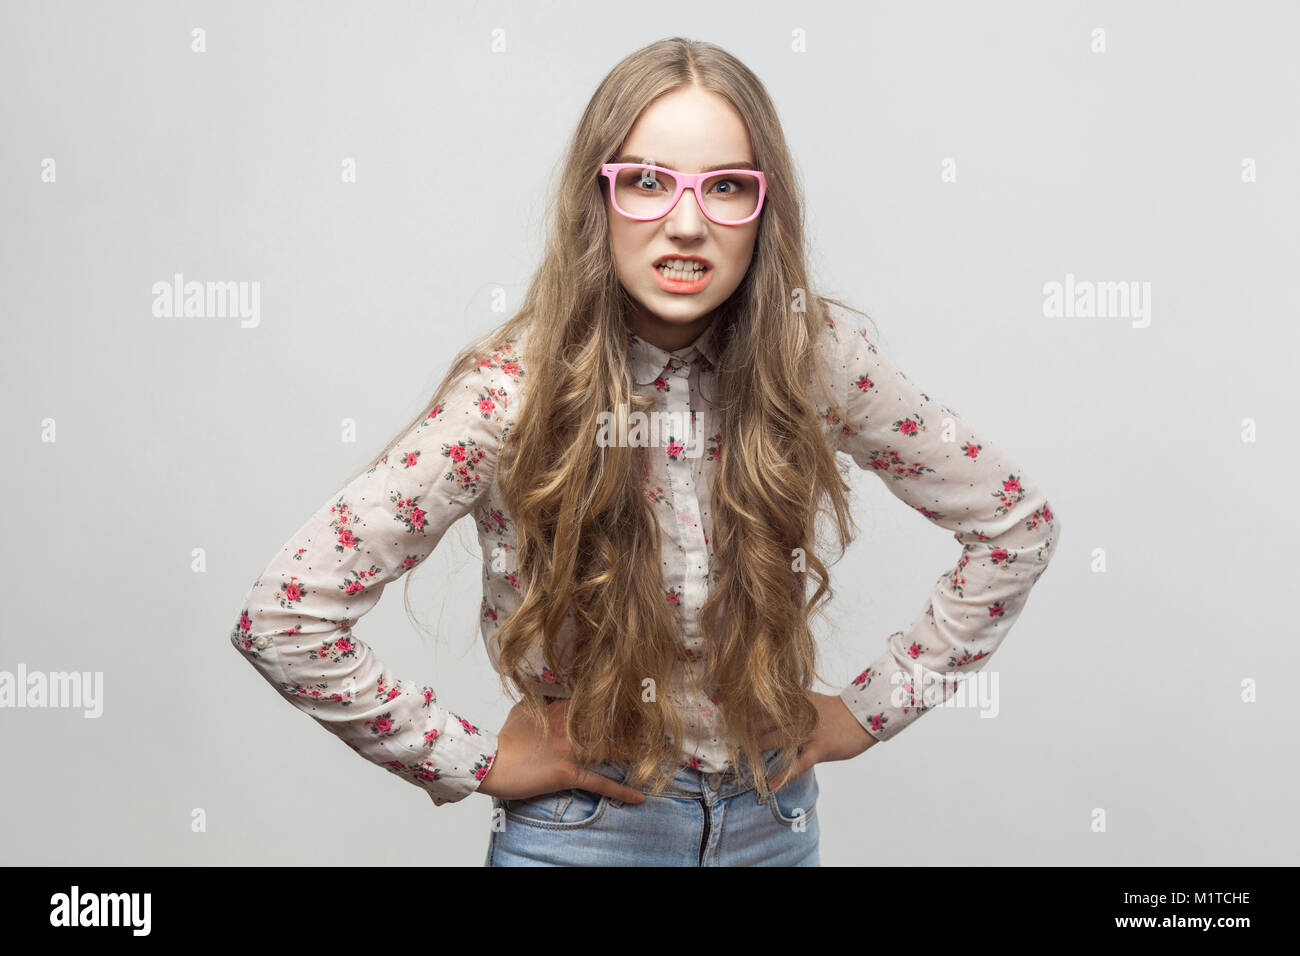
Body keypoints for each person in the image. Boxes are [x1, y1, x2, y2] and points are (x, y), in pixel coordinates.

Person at [229, 36, 1061, 866]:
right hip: (585, 836)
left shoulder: (817, 361)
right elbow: (287, 614)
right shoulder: (512, 394)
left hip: (774, 827)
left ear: (765, 210)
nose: (688, 224)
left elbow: (1015, 526)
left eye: (727, 186)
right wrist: (471, 759)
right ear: (600, 197)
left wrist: (865, 713)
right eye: (648, 183)